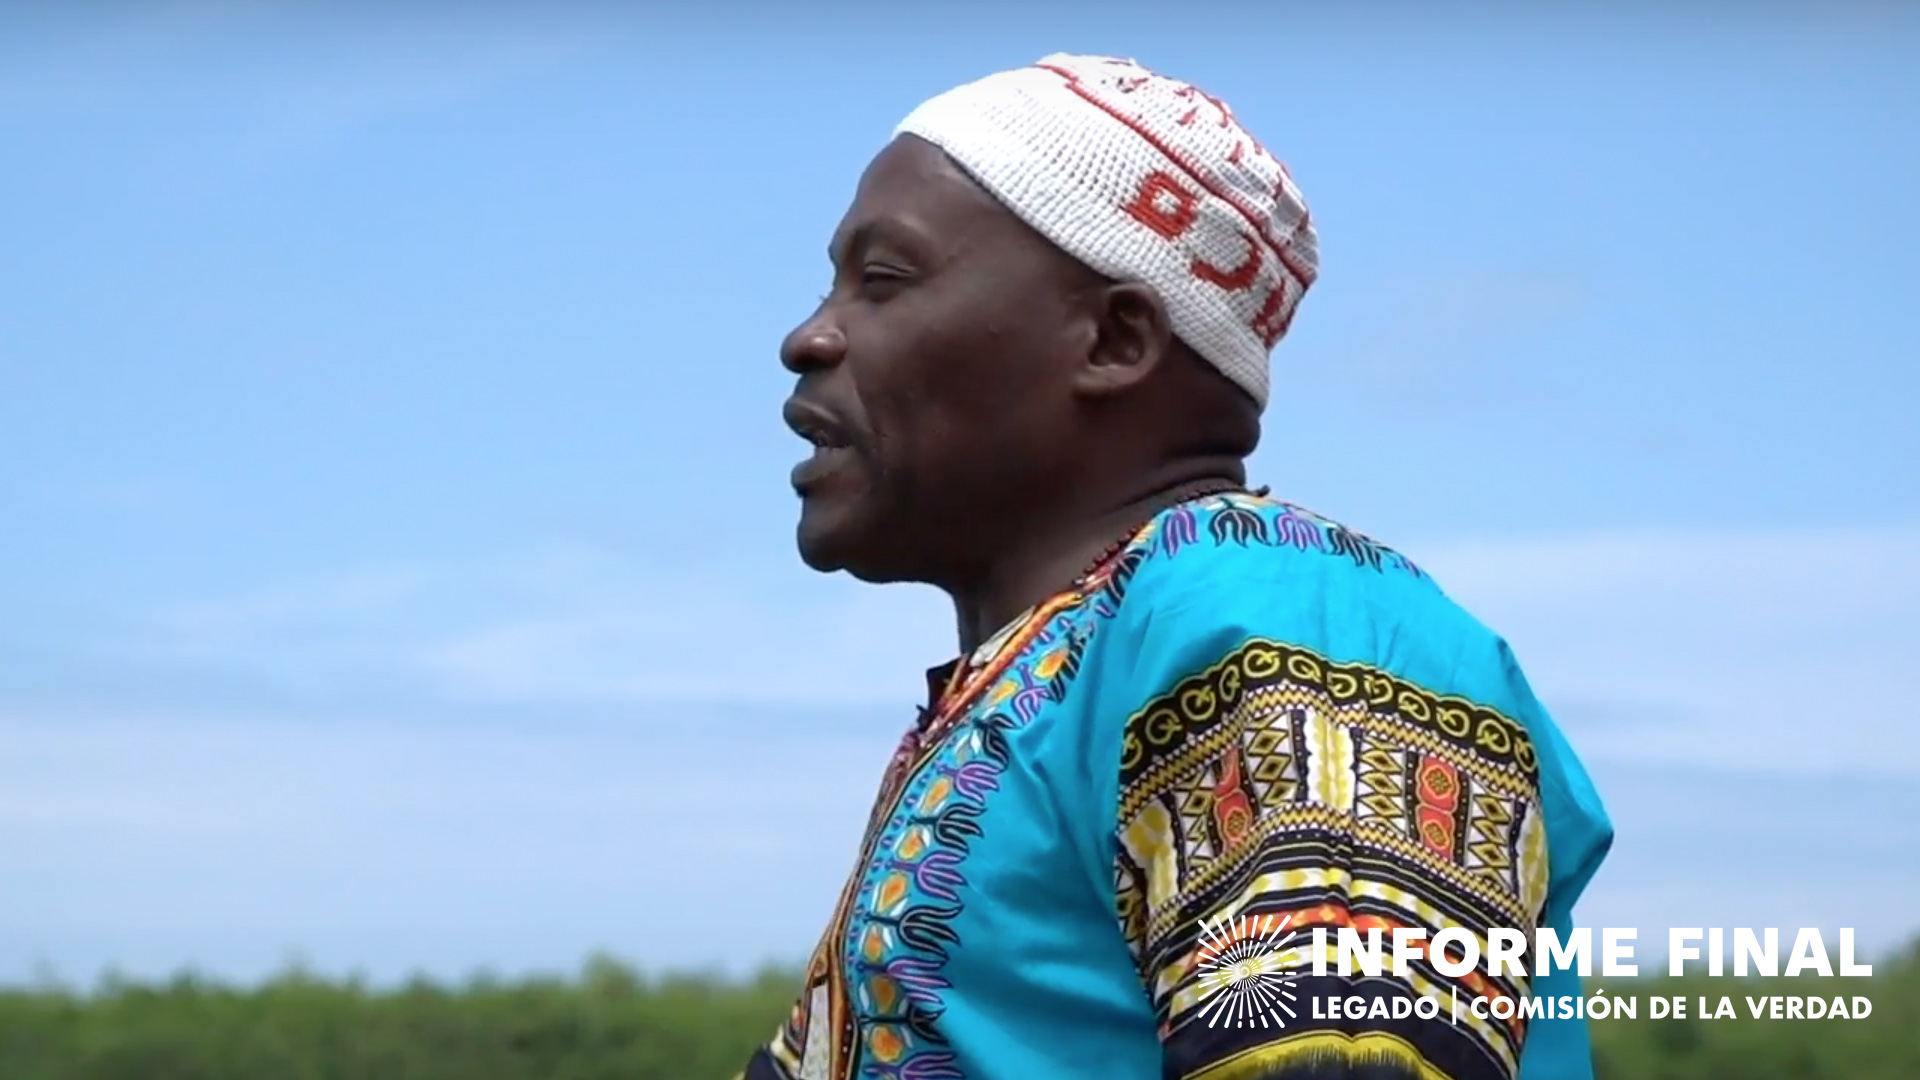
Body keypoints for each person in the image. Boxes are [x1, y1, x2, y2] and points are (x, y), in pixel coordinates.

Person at [741, 53, 1612, 1080]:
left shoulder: (1273, 621)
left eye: (883, 281)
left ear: (1113, 340)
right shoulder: (1071, 662)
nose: (811, 336)